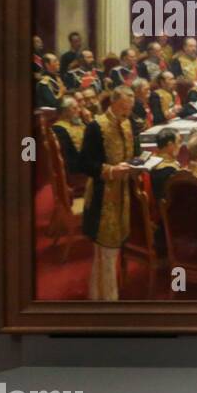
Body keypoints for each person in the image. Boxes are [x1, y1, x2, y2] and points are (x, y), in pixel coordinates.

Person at [80, 85, 137, 301]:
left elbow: (134, 153)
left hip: (123, 193)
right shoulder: (96, 126)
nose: (127, 112)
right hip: (102, 195)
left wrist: (137, 164)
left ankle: (103, 296)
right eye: (123, 107)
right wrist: (111, 170)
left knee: (113, 249)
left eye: (129, 108)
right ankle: (105, 300)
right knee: (105, 250)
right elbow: (84, 163)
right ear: (113, 103)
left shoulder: (128, 123)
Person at [51, 97, 86, 174]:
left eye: (78, 107)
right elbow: (69, 160)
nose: (79, 110)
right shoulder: (59, 129)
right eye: (74, 108)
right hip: (79, 170)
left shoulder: (79, 123)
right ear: (64, 111)